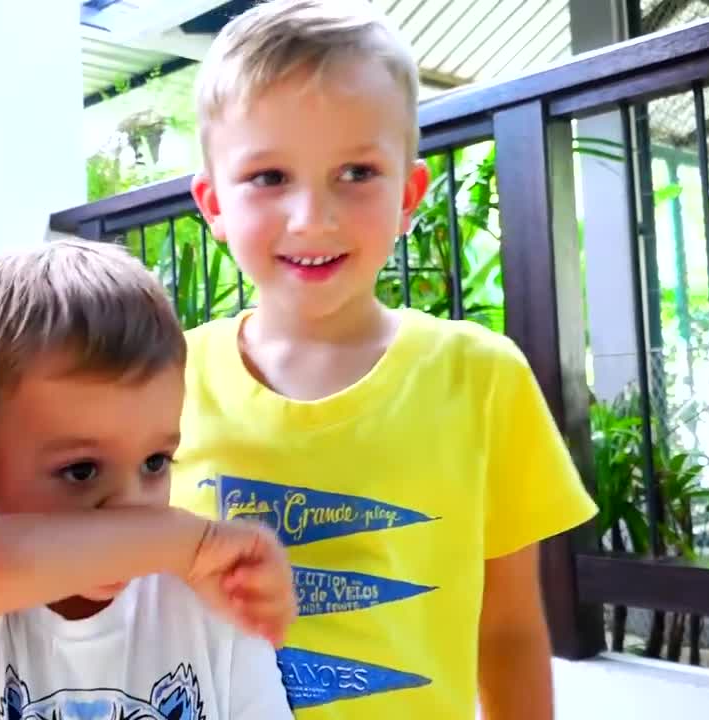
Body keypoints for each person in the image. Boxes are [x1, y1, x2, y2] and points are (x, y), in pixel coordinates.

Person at [172, 1, 598, 718]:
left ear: (409, 196)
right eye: (270, 177)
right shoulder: (163, 382)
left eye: (356, 172)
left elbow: (511, 629)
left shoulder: (482, 377)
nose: (312, 216)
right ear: (214, 204)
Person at [0, 240, 296, 719]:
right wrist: (196, 544)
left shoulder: (207, 609)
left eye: (155, 462)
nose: (132, 509)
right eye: (81, 471)